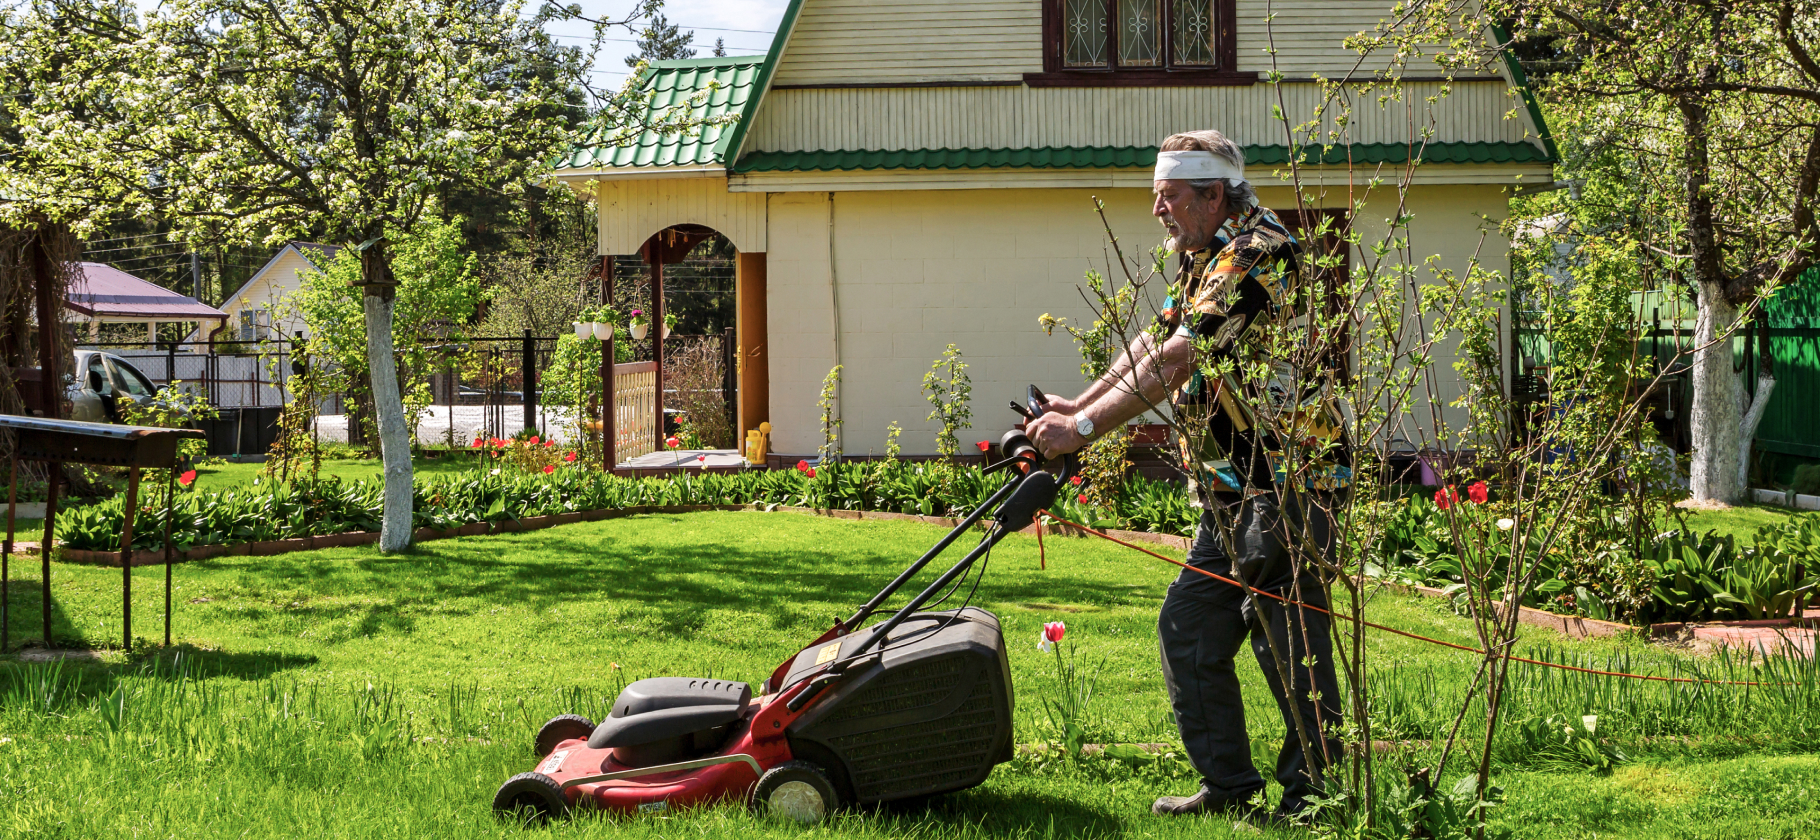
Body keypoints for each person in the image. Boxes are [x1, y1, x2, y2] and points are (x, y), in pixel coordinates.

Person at [1026, 129, 1349, 822]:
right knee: (1191, 627)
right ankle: (1230, 789)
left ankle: (1316, 798)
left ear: (1212, 193)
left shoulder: (1261, 254)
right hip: (1231, 488)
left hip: (1288, 485)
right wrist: (1074, 405)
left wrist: (1081, 432)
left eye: (1168, 195)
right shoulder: (1204, 257)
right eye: (1156, 196)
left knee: (1289, 645)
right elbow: (1153, 339)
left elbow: (1180, 359)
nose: (1157, 210)